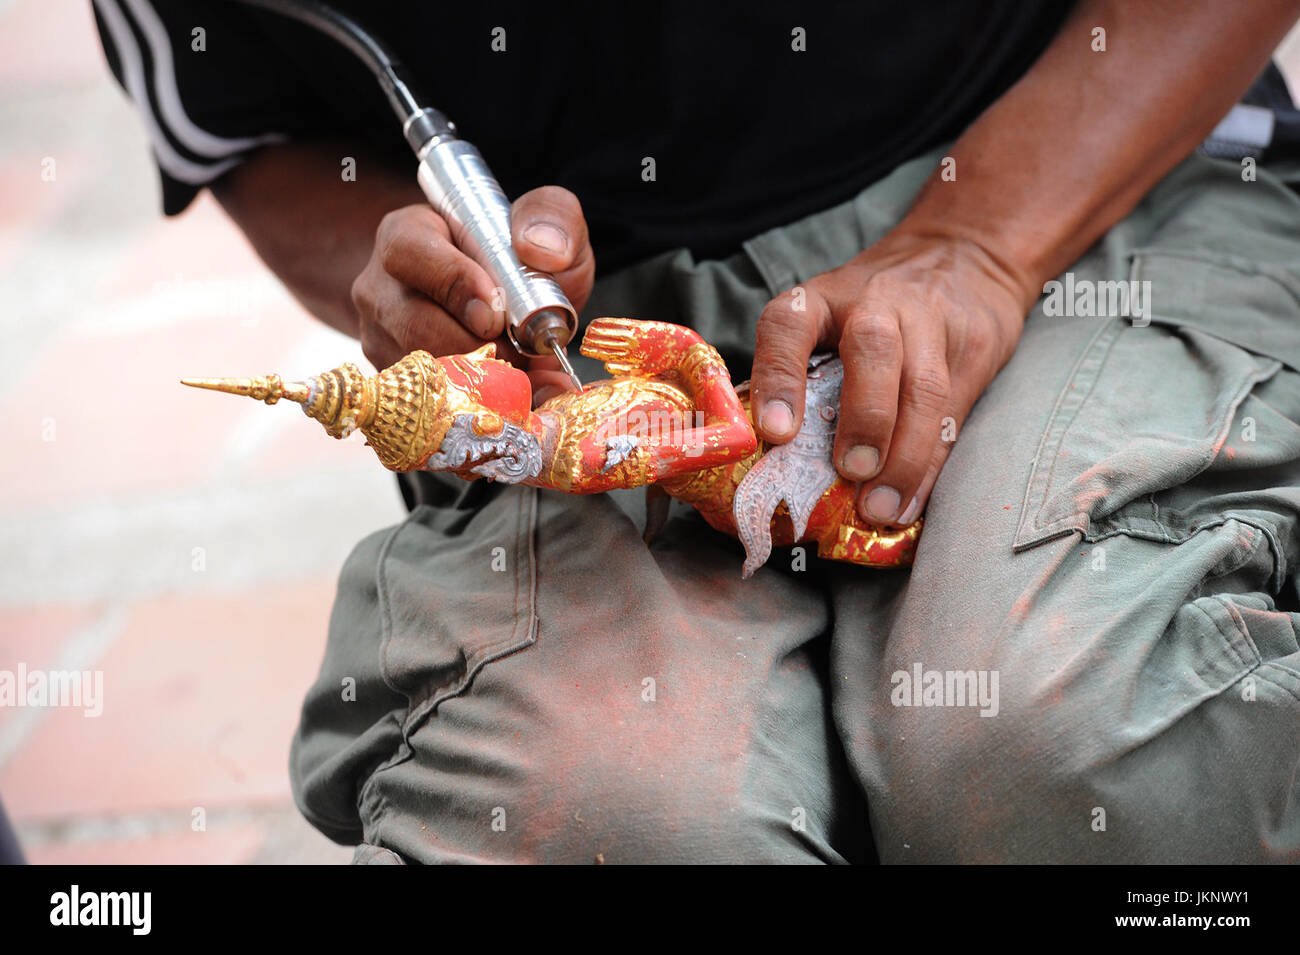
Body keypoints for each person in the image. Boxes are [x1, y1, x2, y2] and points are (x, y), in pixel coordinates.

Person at [94, 0, 1300, 863]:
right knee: (620, 815)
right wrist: (431, 263)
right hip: (584, 313)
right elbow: (248, 135)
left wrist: (976, 244)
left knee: (1059, 741)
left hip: (1078, 167)